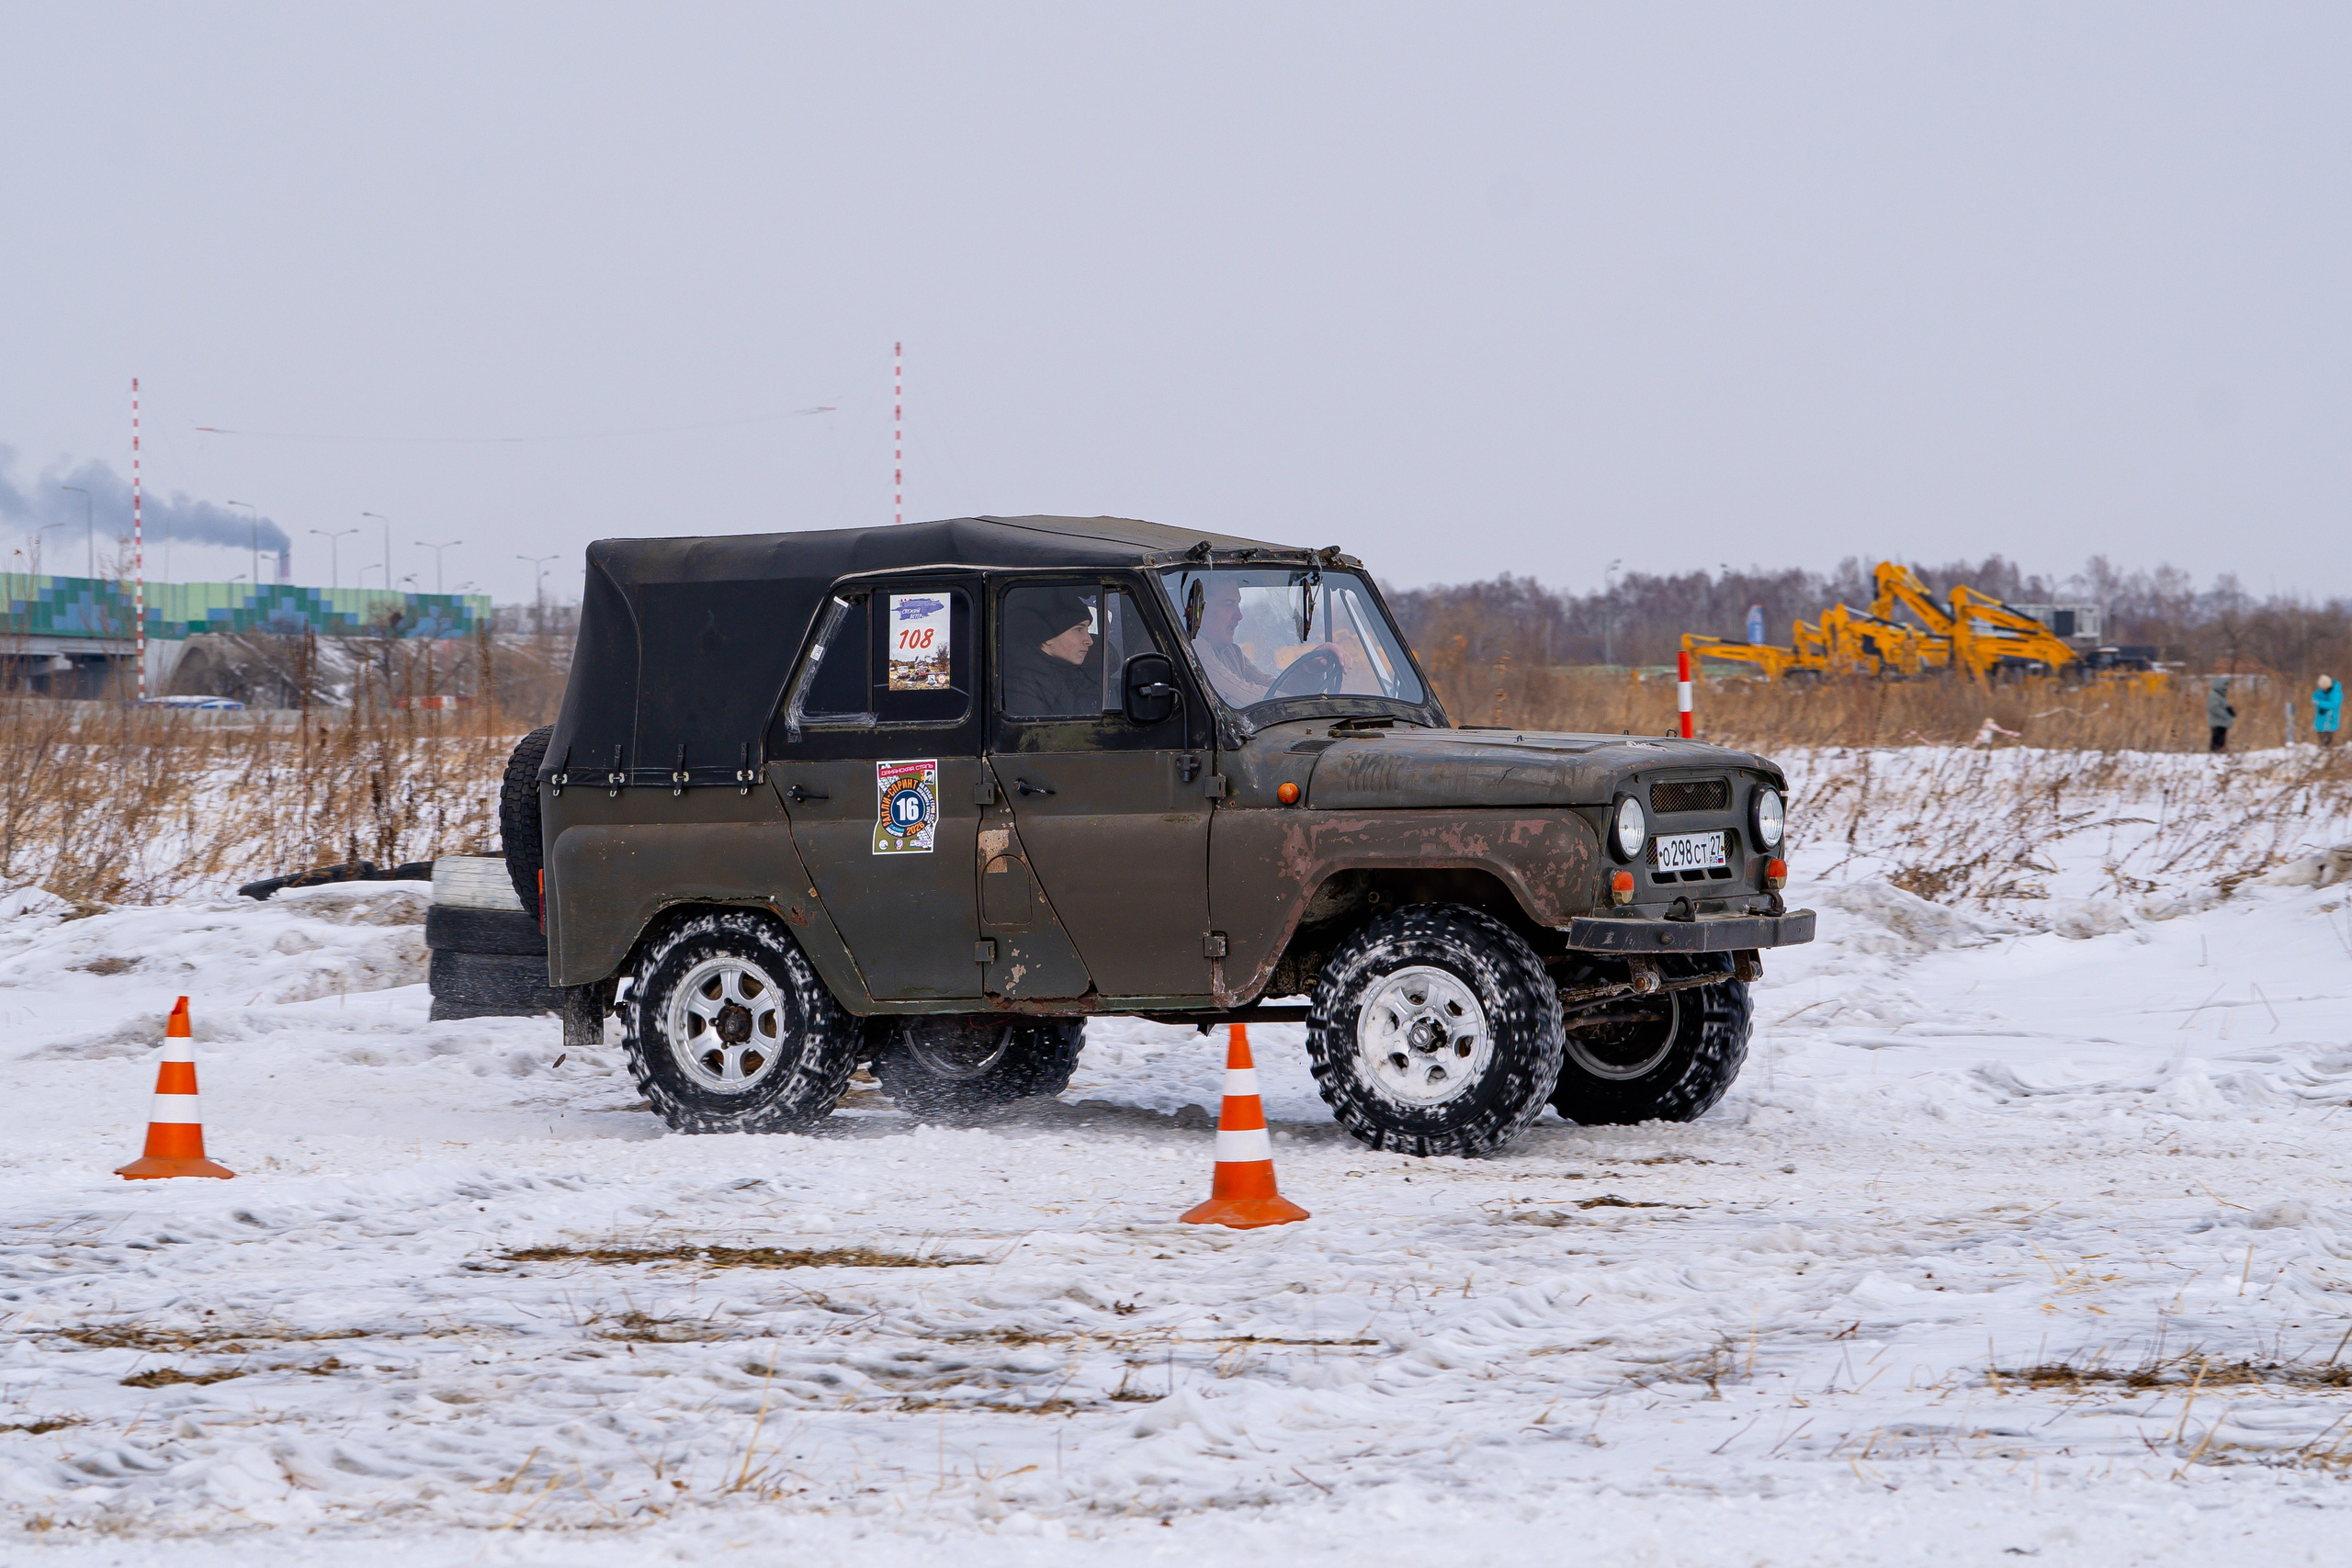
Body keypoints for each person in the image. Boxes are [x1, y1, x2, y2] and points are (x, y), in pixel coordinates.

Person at [1001, 587, 1100, 717]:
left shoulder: (1077, 675)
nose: (1089, 641)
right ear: (1048, 636)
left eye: (1087, 630)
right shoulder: (1020, 686)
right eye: (1078, 630)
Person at [1193, 577, 1279, 705]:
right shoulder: (1195, 648)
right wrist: (1299, 702)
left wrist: (1307, 671)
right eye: (1228, 604)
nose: (1239, 616)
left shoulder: (1231, 652)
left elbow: (1270, 685)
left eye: (1237, 604)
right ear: (1199, 609)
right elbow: (1239, 695)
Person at [2208, 675, 2234, 753]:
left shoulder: (2220, 696)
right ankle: (2215, 751)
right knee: (2217, 737)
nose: (2226, 687)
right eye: (2224, 685)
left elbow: (2224, 705)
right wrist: (2224, 715)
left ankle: (2220, 751)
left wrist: (2231, 711)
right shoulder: (2214, 695)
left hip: (2222, 722)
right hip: (2217, 722)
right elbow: (2214, 708)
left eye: (2226, 685)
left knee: (2222, 737)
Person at [2315, 674, 2342, 748]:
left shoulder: (2337, 693)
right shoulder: (2320, 692)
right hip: (2321, 721)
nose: (2324, 690)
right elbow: (2314, 698)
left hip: (2331, 720)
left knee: (2329, 741)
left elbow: (2334, 705)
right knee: (2322, 741)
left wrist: (2320, 703)